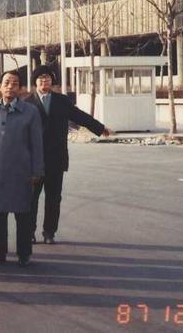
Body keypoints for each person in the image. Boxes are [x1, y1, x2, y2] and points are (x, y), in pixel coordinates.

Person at [25, 65, 110, 244]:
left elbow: (79, 116)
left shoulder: (62, 101)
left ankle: (49, 232)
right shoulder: (26, 104)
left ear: (52, 81)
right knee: (31, 199)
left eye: (47, 78)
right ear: (35, 82)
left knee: (54, 198)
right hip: (34, 161)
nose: (44, 81)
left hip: (56, 158)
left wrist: (99, 128)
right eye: (40, 78)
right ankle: (29, 232)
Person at [0, 70, 44, 267]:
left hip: (22, 172)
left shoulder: (31, 112)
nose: (10, 86)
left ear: (20, 88)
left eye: (15, 83)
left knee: (23, 214)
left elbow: (37, 144)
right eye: (6, 82)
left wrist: (36, 171)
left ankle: (24, 254)